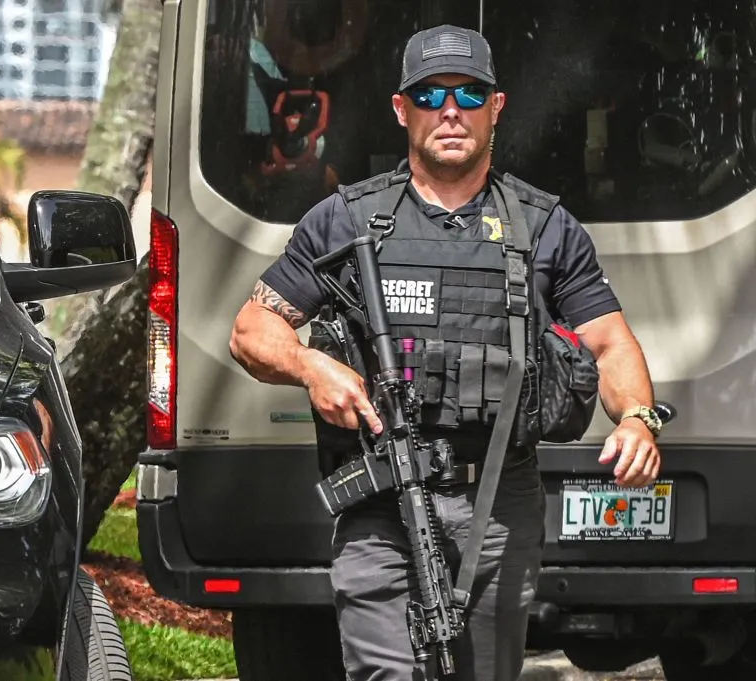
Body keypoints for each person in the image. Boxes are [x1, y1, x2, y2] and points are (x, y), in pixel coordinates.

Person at [228, 23, 663, 681]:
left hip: (497, 503)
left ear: (496, 107)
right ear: (402, 110)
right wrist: (310, 365)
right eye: (430, 96)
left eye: (468, 94)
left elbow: (610, 340)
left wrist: (636, 416)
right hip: (380, 502)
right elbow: (252, 329)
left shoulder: (543, 227)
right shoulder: (347, 220)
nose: (450, 111)